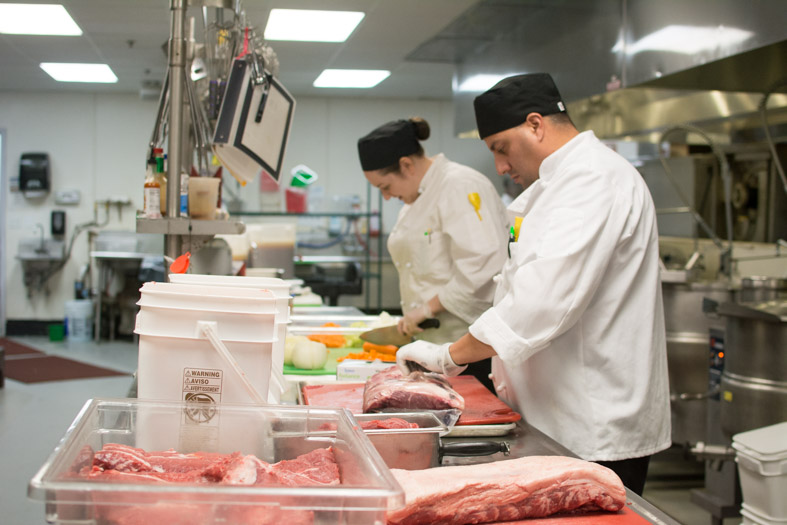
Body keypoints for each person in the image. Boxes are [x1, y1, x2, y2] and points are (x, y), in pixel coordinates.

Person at [395, 74, 671, 495]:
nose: (501, 167)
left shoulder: (594, 180)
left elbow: (539, 302)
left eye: (500, 149)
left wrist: (448, 356)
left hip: (594, 427)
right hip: (556, 417)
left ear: (536, 124)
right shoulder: (561, 185)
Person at [357, 117, 508, 392]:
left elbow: (484, 266)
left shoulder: (460, 185)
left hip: (465, 350)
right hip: (431, 348)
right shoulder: (416, 198)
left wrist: (427, 309)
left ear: (406, 165)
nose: (387, 197)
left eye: (385, 187)